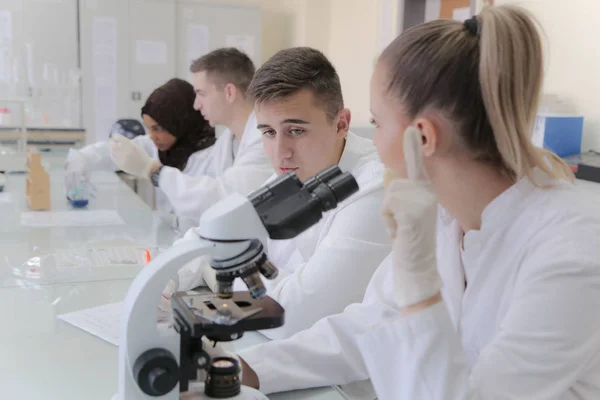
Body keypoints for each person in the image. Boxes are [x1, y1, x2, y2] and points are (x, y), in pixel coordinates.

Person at [210, 6, 600, 399]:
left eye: (377, 124)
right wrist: (246, 370)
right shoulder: (446, 220)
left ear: (423, 138)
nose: (371, 142)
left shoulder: (569, 251)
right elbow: (370, 324)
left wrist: (421, 291)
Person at [175, 47, 391, 340]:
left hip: (343, 379)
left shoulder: (374, 189)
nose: (280, 153)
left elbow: (291, 315)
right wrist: (168, 277)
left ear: (341, 124)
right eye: (268, 132)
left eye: (296, 131)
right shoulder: (292, 172)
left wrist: (220, 277)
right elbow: (215, 235)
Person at [120, 48, 272, 223]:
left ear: (229, 92)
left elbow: (223, 198)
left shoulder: (265, 140)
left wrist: (155, 172)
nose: (196, 105)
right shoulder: (227, 141)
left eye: (201, 93)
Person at [65, 78, 216, 221]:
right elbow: (112, 151)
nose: (152, 136)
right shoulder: (155, 146)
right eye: (148, 128)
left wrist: (153, 171)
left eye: (158, 128)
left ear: (181, 122)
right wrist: (82, 157)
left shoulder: (212, 156)